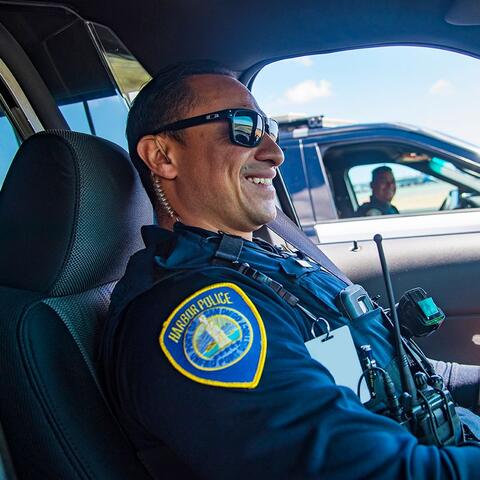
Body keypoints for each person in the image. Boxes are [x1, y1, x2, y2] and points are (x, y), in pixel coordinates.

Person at [99, 61, 480, 479]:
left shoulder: (263, 263)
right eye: (243, 127)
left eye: (270, 129)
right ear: (162, 155)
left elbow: (401, 374)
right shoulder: (201, 313)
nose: (274, 153)